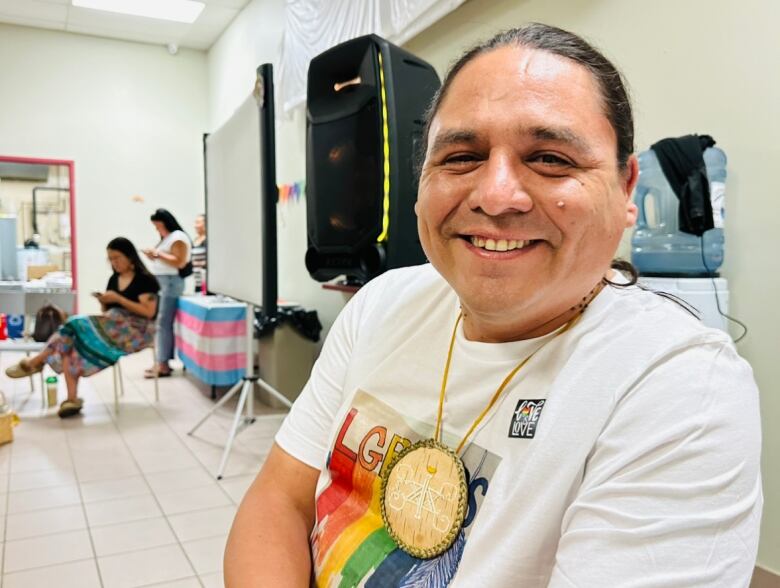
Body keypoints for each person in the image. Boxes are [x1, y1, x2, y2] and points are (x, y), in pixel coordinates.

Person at [224, 24, 762, 587]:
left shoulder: (681, 389)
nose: (495, 195)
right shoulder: (382, 303)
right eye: (461, 157)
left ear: (626, 190)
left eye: (550, 157)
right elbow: (280, 501)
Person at [5, 238, 159, 418]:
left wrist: (119, 299)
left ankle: (36, 362)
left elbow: (148, 312)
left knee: (74, 324)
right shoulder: (114, 279)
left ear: (130, 257)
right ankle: (72, 399)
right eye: (110, 259)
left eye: (117, 258)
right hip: (111, 324)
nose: (113, 263)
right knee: (70, 344)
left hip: (136, 331)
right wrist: (104, 302)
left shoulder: (145, 280)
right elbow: (107, 312)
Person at [143, 208, 191, 378]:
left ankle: (163, 363)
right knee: (162, 322)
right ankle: (161, 361)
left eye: (157, 226)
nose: (157, 229)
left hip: (171, 283)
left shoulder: (178, 238)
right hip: (163, 283)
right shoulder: (167, 239)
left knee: (164, 323)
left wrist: (158, 254)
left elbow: (180, 262)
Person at [192, 213, 207, 293]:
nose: (195, 225)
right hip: (197, 282)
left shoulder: (209, 241)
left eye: (198, 222)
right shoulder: (195, 240)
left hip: (206, 283)